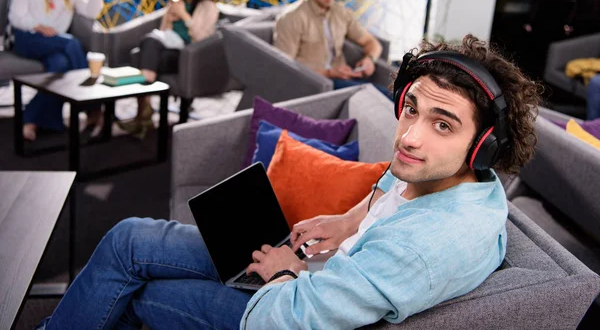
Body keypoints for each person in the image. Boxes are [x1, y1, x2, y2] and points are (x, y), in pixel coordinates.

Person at [35, 35, 543, 329]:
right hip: (318, 273)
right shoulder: (450, 175)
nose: (409, 137)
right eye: (411, 109)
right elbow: (391, 187)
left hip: (286, 308)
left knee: (141, 293)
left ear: (485, 147)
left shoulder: (424, 247)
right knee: (128, 237)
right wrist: (346, 221)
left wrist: (284, 273)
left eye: (442, 124)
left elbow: (285, 324)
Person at [8, 0, 104, 142]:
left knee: (60, 64)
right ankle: (92, 107)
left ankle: (32, 119)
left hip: (55, 45)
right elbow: (15, 17)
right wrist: (38, 26)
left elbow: (90, 12)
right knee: (72, 43)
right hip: (28, 38)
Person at [118, 0, 219, 139]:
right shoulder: (177, 1)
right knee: (149, 49)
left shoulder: (208, 6)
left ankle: (144, 110)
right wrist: (171, 18)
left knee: (147, 44)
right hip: (167, 48)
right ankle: (144, 109)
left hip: (188, 55)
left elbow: (202, 38)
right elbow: (164, 32)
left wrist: (185, 16)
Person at [273, 0, 392, 98]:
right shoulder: (291, 18)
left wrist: (369, 59)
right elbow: (284, 68)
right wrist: (329, 73)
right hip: (314, 83)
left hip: (343, 78)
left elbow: (372, 43)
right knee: (386, 97)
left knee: (394, 95)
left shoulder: (340, 12)